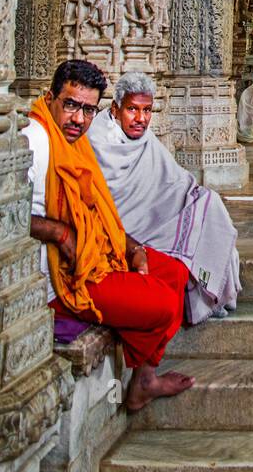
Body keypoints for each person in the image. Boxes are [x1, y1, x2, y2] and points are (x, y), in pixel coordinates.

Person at [25, 60, 194, 413]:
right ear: (51, 97)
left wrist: (131, 246)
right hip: (62, 275)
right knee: (162, 305)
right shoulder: (36, 141)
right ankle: (141, 378)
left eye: (88, 109)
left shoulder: (75, 141)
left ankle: (144, 380)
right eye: (70, 104)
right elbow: (2, 216)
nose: (78, 118)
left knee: (175, 273)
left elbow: (96, 212)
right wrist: (57, 231)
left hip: (94, 251)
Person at [87, 73, 241, 325]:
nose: (141, 119)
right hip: (125, 226)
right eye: (133, 110)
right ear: (115, 109)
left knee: (209, 204)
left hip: (155, 213)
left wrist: (191, 194)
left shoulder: (143, 138)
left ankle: (212, 292)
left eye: (147, 110)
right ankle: (203, 297)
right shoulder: (98, 140)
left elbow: (171, 177)